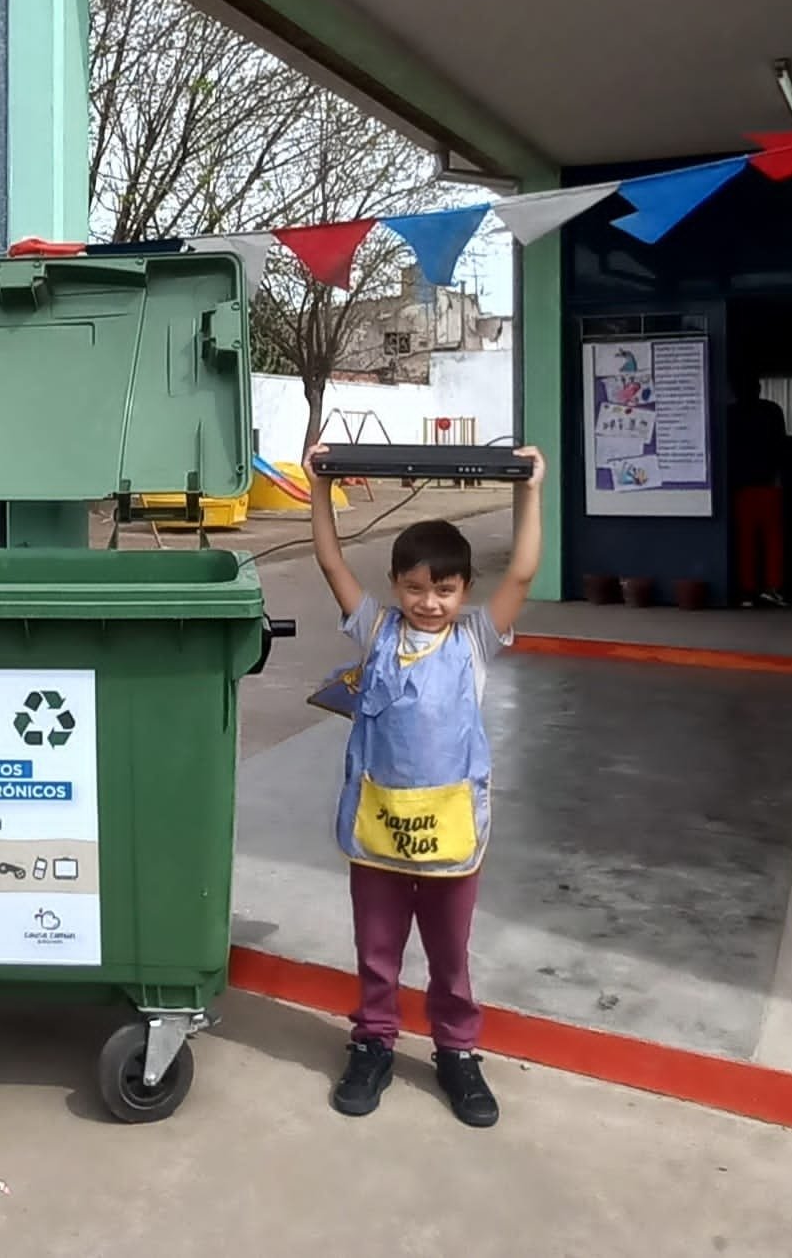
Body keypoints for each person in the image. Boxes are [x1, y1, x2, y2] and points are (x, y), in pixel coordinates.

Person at [302, 442, 545, 1129]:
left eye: (444, 590)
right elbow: (330, 561)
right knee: (377, 949)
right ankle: (373, 1041)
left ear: (464, 590)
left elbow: (523, 570)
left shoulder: (475, 640)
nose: (429, 602)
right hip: (380, 827)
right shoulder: (375, 628)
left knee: (449, 953)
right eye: (415, 588)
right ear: (394, 585)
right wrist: (317, 484)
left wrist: (531, 488)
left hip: (451, 829)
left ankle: (456, 1050)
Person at [728, 374, 788, 608]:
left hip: (741, 486)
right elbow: (781, 447)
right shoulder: (772, 411)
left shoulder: (731, 414)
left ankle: (747, 591)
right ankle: (772, 588)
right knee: (773, 540)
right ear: (759, 388)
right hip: (769, 484)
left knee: (746, 541)